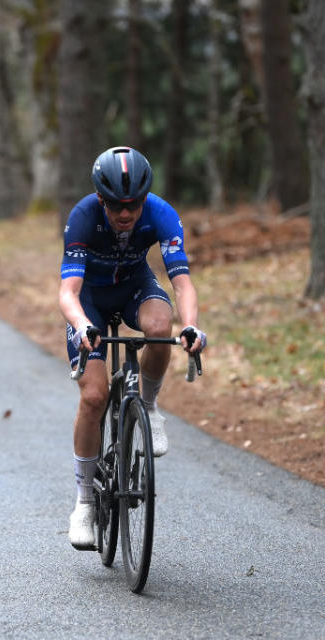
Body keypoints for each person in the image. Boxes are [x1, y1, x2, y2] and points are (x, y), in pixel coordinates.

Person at [58, 146, 206, 550]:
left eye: (134, 204)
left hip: (134, 286)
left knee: (161, 327)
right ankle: (85, 502)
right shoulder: (83, 217)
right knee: (94, 395)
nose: (126, 214)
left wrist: (191, 325)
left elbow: (182, 283)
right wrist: (82, 325)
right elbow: (68, 291)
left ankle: (150, 407)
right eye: (117, 206)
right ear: (101, 199)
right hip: (90, 300)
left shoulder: (161, 213)